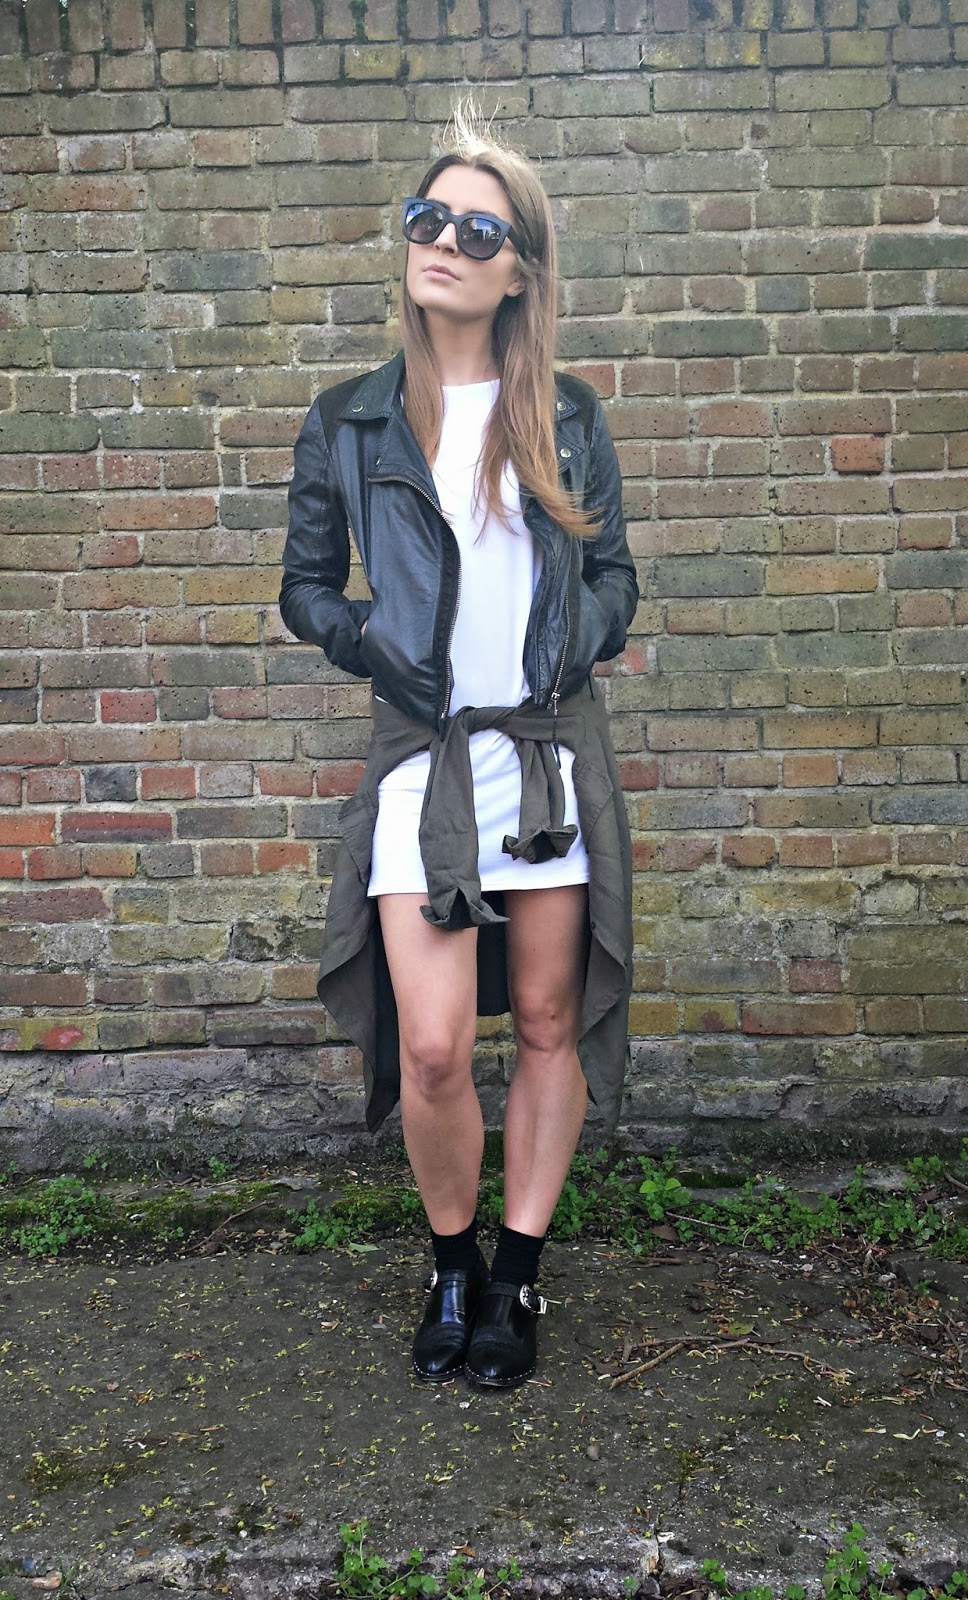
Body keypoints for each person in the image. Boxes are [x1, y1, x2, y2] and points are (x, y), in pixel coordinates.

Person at [279, 100, 639, 1391]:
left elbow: (618, 581)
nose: (441, 241)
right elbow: (305, 588)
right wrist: (372, 643)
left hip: (544, 758)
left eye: (475, 230)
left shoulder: (568, 417)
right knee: (431, 1045)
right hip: (422, 765)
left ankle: (518, 1272)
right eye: (426, 218)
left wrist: (572, 644)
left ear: (519, 269)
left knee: (544, 1021)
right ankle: (450, 1261)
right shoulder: (350, 421)